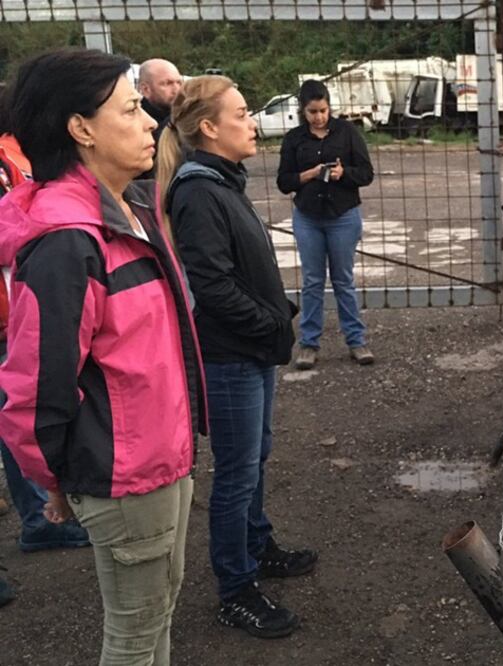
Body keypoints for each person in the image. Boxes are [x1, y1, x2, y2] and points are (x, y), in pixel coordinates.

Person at [0, 48, 207, 662]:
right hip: (123, 474)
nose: (150, 122)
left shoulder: (129, 210)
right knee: (136, 638)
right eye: (131, 109)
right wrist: (57, 479)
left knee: (159, 615)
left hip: (165, 456)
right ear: (81, 128)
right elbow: (33, 389)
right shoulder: (69, 243)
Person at [158, 75, 316, 639]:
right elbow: (213, 286)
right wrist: (271, 321)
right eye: (243, 113)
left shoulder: (221, 181)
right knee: (235, 472)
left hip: (251, 350)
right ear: (209, 127)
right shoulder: (199, 190)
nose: (253, 122)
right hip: (230, 357)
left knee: (256, 456)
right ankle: (236, 587)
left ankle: (257, 544)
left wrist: (275, 314)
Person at [0, 118, 89, 610]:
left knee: (17, 418)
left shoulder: (15, 147)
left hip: (11, 315)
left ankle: (38, 517)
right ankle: (38, 516)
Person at [277, 79, 375, 370]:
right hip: (308, 217)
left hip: (343, 215)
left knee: (343, 279)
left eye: (322, 110)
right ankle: (309, 343)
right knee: (312, 281)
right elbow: (284, 182)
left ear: (330, 106)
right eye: (312, 112)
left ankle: (356, 340)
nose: (318, 117)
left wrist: (344, 173)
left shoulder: (347, 133)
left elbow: (366, 174)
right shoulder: (293, 139)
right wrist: (308, 174)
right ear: (302, 110)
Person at [136, 59, 183, 179]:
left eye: (179, 83)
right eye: (167, 83)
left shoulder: (186, 117)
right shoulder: (134, 121)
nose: (176, 89)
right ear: (145, 89)